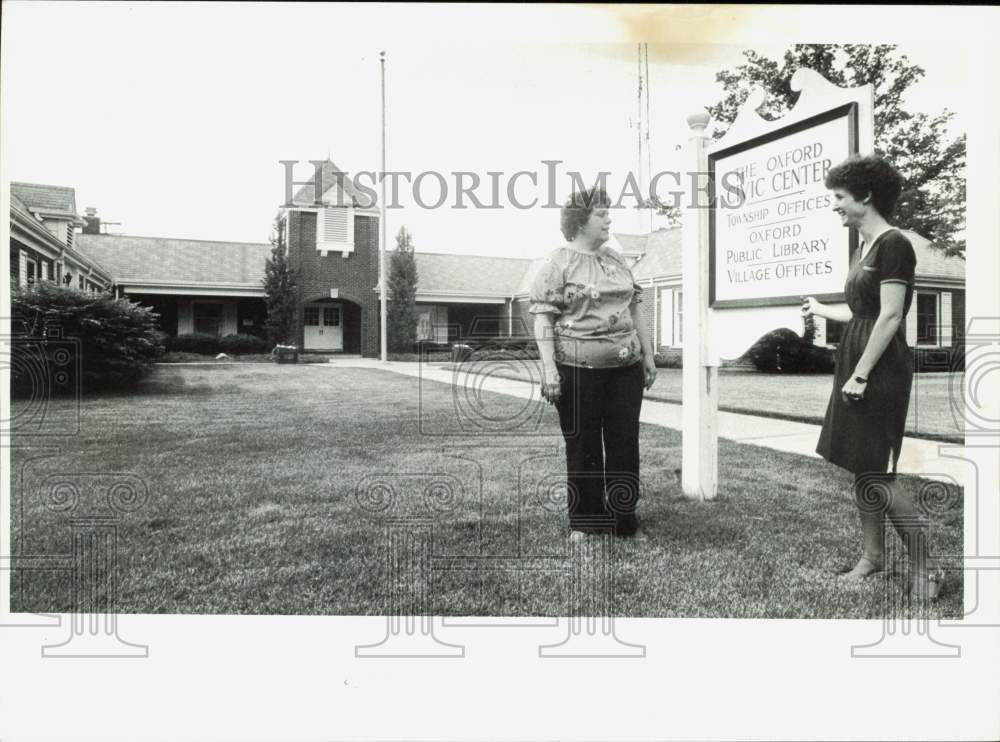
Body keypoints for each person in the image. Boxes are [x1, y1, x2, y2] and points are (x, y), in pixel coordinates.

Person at [803, 154, 944, 603]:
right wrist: (822, 310)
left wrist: (861, 374)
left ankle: (928, 566)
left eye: (840, 198)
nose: (835, 206)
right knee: (860, 464)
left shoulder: (894, 244)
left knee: (878, 472)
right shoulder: (862, 248)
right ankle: (873, 556)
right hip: (857, 354)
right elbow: (863, 311)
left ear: (865, 196)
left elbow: (890, 316)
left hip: (878, 366)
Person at [529, 187, 657, 541]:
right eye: (601, 214)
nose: (609, 219)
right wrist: (549, 369)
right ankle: (585, 523)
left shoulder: (616, 259)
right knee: (583, 447)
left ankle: (624, 521)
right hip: (576, 372)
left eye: (607, 213)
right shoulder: (557, 264)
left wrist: (647, 354)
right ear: (580, 221)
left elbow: (634, 308)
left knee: (624, 444)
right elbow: (543, 320)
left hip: (625, 370)